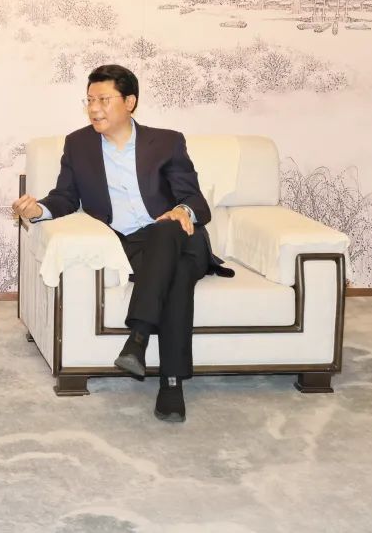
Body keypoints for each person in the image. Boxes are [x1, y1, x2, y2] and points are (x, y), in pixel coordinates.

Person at [12, 64, 231, 422]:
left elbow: (196, 200)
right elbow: (65, 197)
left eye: (103, 100)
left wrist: (182, 210)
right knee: (175, 277)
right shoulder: (79, 145)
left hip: (180, 239)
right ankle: (170, 383)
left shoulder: (167, 142)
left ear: (130, 102)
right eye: (89, 100)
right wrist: (38, 210)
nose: (94, 108)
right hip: (131, 247)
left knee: (165, 230)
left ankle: (139, 337)